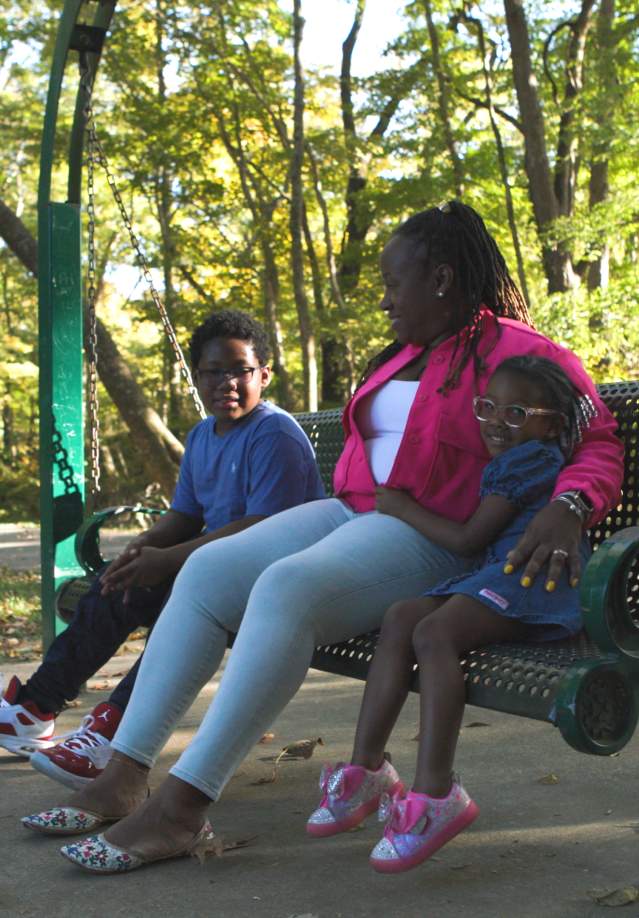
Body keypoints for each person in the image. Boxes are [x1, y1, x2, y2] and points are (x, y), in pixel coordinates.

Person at [21, 201, 623, 876]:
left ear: (443, 279)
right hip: (358, 514)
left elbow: (594, 438)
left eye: (396, 284)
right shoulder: (401, 356)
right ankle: (124, 773)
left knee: (287, 588)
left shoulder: (521, 352)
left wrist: (570, 505)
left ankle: (182, 806)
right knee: (206, 572)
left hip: (438, 537)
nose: (386, 299)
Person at [0, 309, 324, 789]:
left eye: (241, 370)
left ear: (264, 375)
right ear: (198, 376)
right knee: (119, 586)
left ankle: (114, 735)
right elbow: (184, 516)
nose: (228, 382)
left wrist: (169, 560)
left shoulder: (273, 434)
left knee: (179, 605)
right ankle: (35, 708)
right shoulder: (201, 436)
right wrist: (141, 550)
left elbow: (264, 529)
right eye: (215, 371)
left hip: (276, 573)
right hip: (222, 567)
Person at [306, 355, 603, 873]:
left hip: (536, 582)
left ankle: (436, 793)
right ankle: (366, 768)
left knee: (435, 633)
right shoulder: (518, 458)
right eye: (488, 408)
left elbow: (470, 538)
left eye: (515, 414)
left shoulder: (531, 459)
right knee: (401, 616)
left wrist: (401, 508)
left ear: (551, 424)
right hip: (502, 576)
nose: (495, 424)